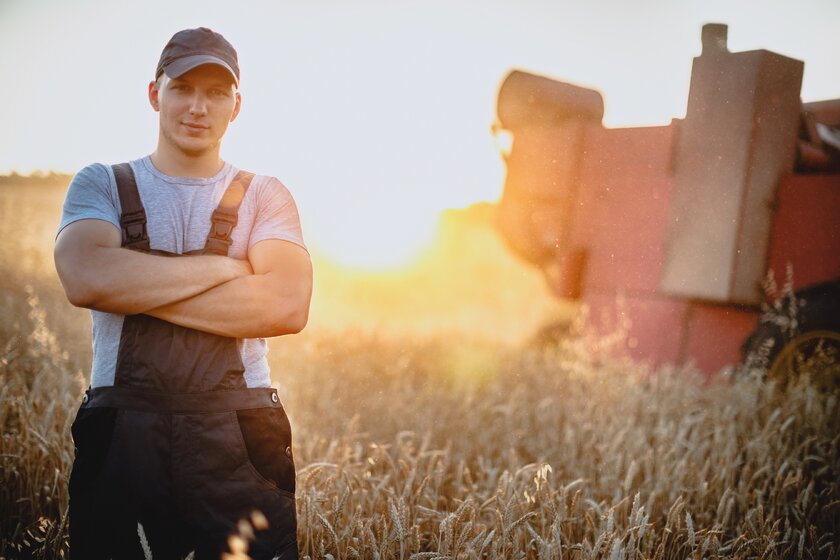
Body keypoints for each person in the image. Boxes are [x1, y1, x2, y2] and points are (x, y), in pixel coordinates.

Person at [53, 27, 312, 559]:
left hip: (238, 437)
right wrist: (226, 267)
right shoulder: (101, 183)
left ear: (236, 106)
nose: (198, 107)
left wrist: (131, 284)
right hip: (123, 430)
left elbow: (286, 305)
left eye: (216, 93)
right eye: (183, 88)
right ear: (155, 94)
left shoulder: (265, 194)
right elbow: (85, 278)